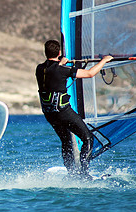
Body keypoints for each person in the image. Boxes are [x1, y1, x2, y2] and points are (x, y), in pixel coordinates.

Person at [35, 39, 112, 179]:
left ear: (45, 53)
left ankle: (72, 173)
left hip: (49, 114)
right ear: (59, 53)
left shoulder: (39, 69)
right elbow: (89, 74)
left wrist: (60, 63)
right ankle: (83, 173)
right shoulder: (62, 70)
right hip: (63, 112)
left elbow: (52, 70)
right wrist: (104, 61)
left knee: (66, 141)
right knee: (88, 138)